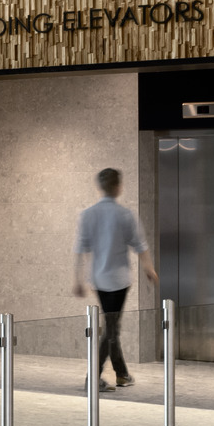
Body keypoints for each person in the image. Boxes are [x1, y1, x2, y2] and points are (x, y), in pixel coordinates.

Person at [73, 166, 156, 388]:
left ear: (99, 187)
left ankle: (122, 374)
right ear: (119, 187)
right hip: (119, 281)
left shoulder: (88, 214)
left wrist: (77, 280)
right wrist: (150, 269)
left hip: (98, 279)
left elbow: (80, 249)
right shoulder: (126, 215)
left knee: (111, 326)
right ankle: (93, 377)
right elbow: (141, 246)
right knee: (111, 328)